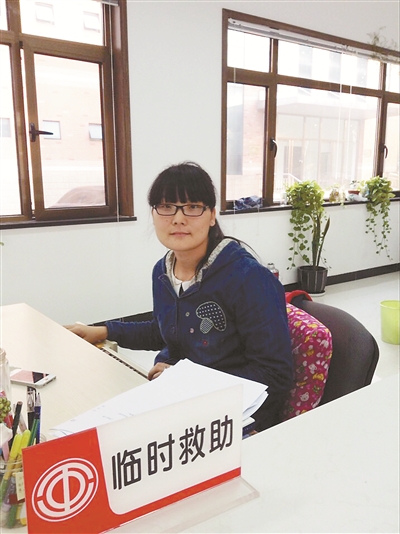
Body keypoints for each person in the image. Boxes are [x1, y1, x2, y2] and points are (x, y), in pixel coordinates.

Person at [66, 162, 294, 431]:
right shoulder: (163, 271)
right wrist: (103, 331)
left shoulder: (248, 278)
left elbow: (274, 374)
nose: (178, 219)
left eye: (192, 207)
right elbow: (165, 330)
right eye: (166, 206)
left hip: (235, 416)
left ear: (212, 215)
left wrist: (184, 381)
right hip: (178, 398)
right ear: (153, 214)